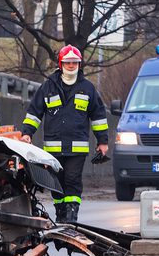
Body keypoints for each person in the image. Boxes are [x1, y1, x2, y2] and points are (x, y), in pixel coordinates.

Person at [19, 45, 109, 223]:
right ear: (61, 64)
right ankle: (61, 213)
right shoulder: (48, 87)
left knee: (72, 180)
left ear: (79, 64)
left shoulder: (87, 88)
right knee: (57, 182)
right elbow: (34, 113)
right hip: (53, 148)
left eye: (74, 62)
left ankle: (72, 215)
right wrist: (27, 133)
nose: (71, 65)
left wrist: (103, 142)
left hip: (77, 148)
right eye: (67, 62)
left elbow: (99, 117)